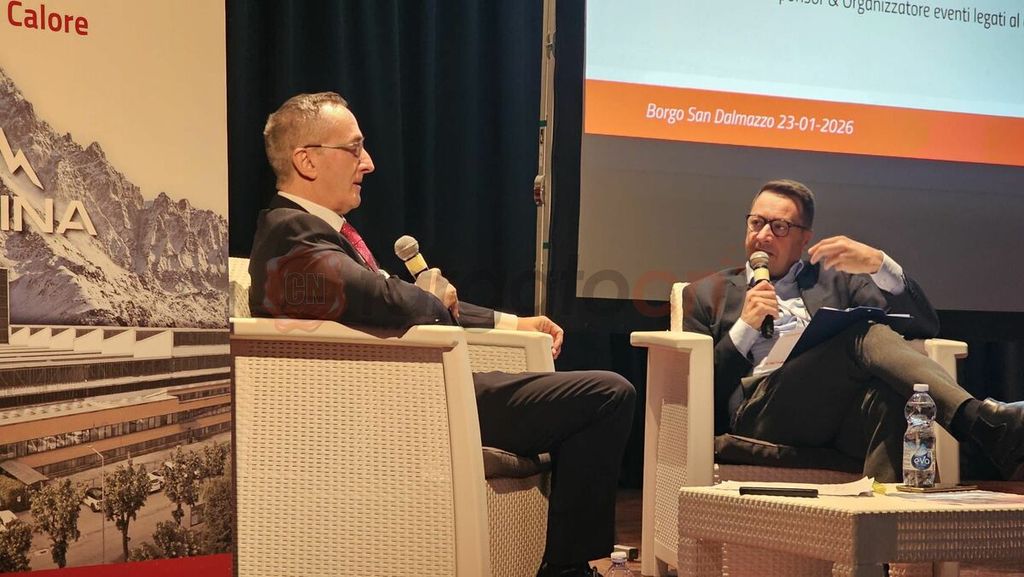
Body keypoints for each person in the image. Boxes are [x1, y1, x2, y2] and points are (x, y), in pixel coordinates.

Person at [248, 91, 634, 577]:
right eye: (354, 148)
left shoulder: (319, 233)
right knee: (605, 395)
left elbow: (399, 298)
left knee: (595, 394)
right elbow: (391, 300)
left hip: (424, 391)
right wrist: (423, 293)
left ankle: (565, 562)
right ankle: (566, 569)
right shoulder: (290, 234)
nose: (368, 163)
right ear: (306, 160)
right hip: (404, 409)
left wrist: (512, 323)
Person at [683, 179, 1024, 482]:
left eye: (779, 227)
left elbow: (924, 326)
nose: (763, 235)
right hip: (760, 414)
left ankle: (879, 530)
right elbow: (696, 386)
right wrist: (745, 327)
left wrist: (880, 265)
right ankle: (980, 422)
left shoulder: (836, 283)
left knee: (889, 395)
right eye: (756, 223)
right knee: (862, 333)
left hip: (836, 418)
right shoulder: (707, 293)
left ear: (804, 238)